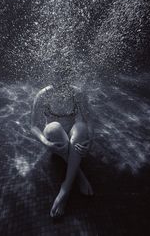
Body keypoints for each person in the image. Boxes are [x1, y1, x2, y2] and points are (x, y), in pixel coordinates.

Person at [30, 72, 93, 217]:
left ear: (69, 77)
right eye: (57, 77)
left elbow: (89, 122)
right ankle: (79, 177)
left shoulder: (77, 93)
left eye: (64, 77)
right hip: (55, 139)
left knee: (81, 127)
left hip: (73, 137)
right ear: (51, 77)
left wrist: (90, 140)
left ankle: (65, 188)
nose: (61, 81)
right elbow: (32, 126)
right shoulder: (42, 95)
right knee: (54, 128)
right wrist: (45, 143)